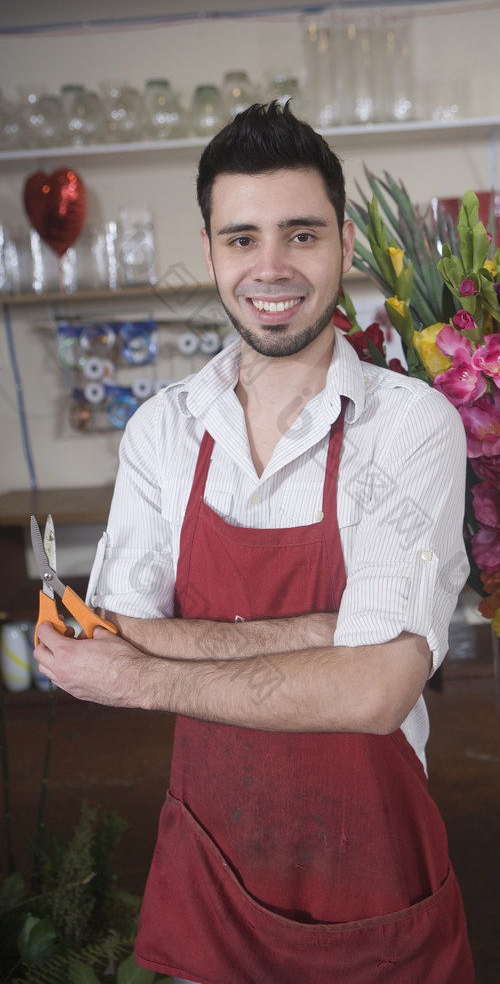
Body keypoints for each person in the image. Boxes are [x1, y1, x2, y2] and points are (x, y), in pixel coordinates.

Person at [35, 102, 474, 984]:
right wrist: (327, 630)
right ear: (210, 253)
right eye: (242, 239)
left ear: (345, 245)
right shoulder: (162, 429)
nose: (270, 267)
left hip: (374, 881)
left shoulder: (408, 424)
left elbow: (381, 689)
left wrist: (146, 671)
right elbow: (107, 629)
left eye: (300, 234)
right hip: (213, 872)